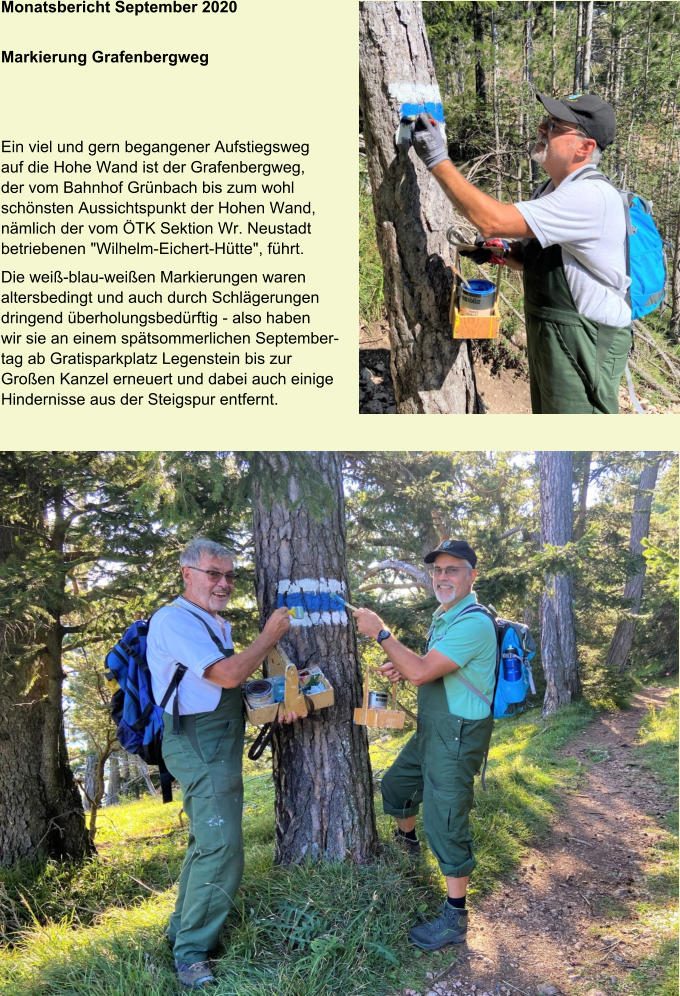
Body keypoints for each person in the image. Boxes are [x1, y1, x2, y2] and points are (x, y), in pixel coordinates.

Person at [411, 92, 632, 414]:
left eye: (555, 125)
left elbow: (493, 221)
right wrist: (498, 254)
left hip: (587, 338)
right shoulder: (554, 188)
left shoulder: (590, 195)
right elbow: (535, 259)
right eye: (546, 121)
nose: (542, 128)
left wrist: (437, 160)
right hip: (556, 333)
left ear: (585, 147)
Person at [147, 537, 293, 989]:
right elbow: (228, 674)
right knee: (224, 845)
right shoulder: (175, 620)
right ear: (187, 573)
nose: (224, 583)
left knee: (206, 842)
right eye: (214, 573)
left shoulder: (209, 621)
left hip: (215, 741)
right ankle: (192, 954)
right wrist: (269, 636)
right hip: (197, 743)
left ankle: (179, 931)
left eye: (230, 575)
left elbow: (227, 685)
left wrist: (286, 687)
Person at [353, 539, 496, 951]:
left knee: (445, 818)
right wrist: (404, 667)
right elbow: (431, 669)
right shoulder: (445, 616)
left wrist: (382, 634)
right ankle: (408, 851)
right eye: (438, 570)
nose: (443, 577)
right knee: (398, 787)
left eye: (453, 569)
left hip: (458, 734)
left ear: (472, 574)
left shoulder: (473, 622)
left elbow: (421, 672)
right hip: (433, 730)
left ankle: (455, 916)